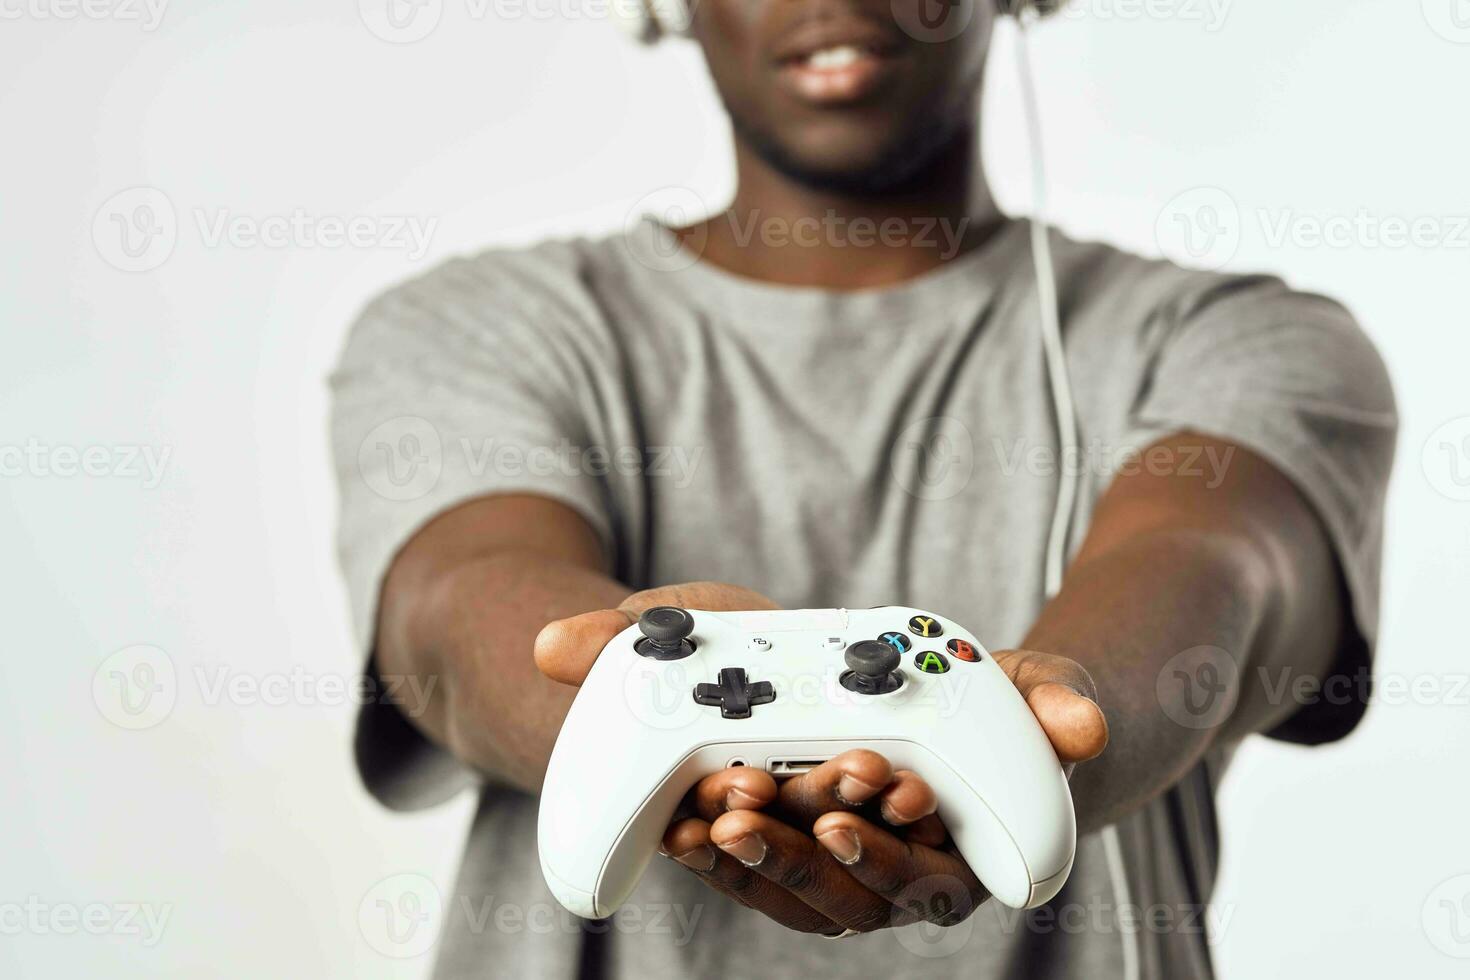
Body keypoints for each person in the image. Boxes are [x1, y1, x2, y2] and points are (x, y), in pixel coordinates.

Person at [329, 2, 1398, 977]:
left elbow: (1225, 571)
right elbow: (451, 612)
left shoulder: (1241, 340)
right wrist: (631, 698)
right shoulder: (478, 325)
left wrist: (1041, 725)